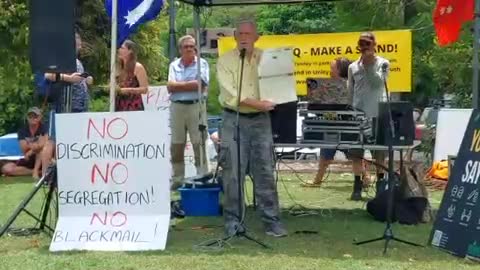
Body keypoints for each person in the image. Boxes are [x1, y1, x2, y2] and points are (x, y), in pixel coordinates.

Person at [217, 19, 287, 238]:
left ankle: (272, 220)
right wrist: (261, 104)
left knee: (265, 170)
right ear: (235, 37)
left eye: (249, 34)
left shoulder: (268, 59)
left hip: (261, 120)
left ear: (256, 37)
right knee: (233, 172)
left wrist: (279, 97)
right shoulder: (225, 60)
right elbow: (231, 95)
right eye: (241, 34)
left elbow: (280, 84)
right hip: (233, 118)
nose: (245, 37)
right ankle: (233, 221)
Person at [303, 57, 368, 188]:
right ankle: (317, 180)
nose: (330, 71)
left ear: (340, 70)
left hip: (349, 126)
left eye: (332, 68)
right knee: (325, 154)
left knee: (356, 156)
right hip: (331, 124)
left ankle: (365, 178)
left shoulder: (354, 86)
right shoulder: (325, 85)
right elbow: (318, 108)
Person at [42, 31, 93, 177]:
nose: (80, 43)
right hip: (62, 106)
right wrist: (69, 78)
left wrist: (86, 79)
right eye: (77, 40)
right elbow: (48, 74)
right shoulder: (61, 58)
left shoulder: (77, 61)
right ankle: (45, 175)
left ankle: (67, 172)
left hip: (78, 107)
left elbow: (78, 79)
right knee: (53, 140)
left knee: (71, 140)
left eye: (79, 40)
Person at [347, 32, 390, 201]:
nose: (365, 46)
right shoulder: (352, 67)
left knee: (379, 153)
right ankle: (357, 186)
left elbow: (378, 83)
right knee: (357, 152)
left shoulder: (384, 63)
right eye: (362, 43)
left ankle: (380, 186)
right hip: (358, 114)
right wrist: (349, 110)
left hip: (378, 113)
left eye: (368, 43)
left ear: (374, 45)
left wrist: (369, 64)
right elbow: (350, 90)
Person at [167, 35, 209, 185]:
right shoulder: (174, 65)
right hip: (177, 107)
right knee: (177, 144)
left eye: (192, 46)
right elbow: (170, 86)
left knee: (199, 142)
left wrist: (180, 85)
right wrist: (190, 83)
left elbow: (201, 84)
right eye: (186, 47)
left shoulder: (202, 63)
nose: (190, 49)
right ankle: (178, 179)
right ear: (180, 49)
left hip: (196, 105)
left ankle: (202, 175)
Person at [1, 107, 48, 179]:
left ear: (40, 117)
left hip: (43, 157)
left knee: (41, 151)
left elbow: (43, 144)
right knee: (6, 169)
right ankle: (38, 172)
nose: (33, 118)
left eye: (35, 116)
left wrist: (32, 150)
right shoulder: (22, 130)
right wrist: (37, 145)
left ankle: (36, 171)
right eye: (30, 116)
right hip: (28, 157)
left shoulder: (44, 127)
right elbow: (24, 148)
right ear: (27, 118)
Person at [115, 39, 149, 111]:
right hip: (119, 106)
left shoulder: (138, 67)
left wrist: (127, 90)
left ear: (130, 51)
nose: (119, 50)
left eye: (122, 48)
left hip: (134, 106)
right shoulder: (118, 67)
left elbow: (144, 89)